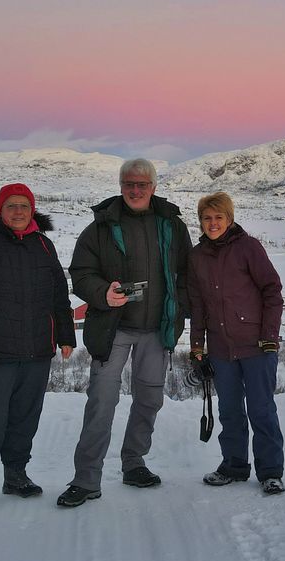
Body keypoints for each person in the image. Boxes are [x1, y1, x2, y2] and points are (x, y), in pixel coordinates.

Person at [57, 158, 191, 508]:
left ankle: (134, 463)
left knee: (150, 399)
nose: (135, 190)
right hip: (113, 329)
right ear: (121, 186)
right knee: (102, 402)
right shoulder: (101, 226)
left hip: (155, 330)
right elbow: (81, 272)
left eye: (142, 185)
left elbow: (187, 273)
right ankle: (86, 479)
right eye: (129, 184)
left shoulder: (172, 225)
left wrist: (180, 311)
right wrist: (103, 293)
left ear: (153, 188)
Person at [0, 182, 75, 509]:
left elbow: (58, 295)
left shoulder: (44, 246)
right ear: (0, 210)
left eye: (24, 206)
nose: (18, 212)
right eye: (11, 206)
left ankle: (15, 475)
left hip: (37, 350)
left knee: (25, 418)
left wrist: (64, 335)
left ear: (32, 210)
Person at [186, 192, 285, 495]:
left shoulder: (248, 248)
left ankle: (270, 472)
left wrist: (269, 336)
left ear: (229, 219)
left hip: (257, 346)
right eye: (207, 218)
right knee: (229, 410)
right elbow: (197, 305)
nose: (213, 223)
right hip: (220, 349)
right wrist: (197, 347)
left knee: (262, 410)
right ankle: (234, 465)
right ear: (201, 221)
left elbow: (272, 290)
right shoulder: (197, 257)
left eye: (218, 217)